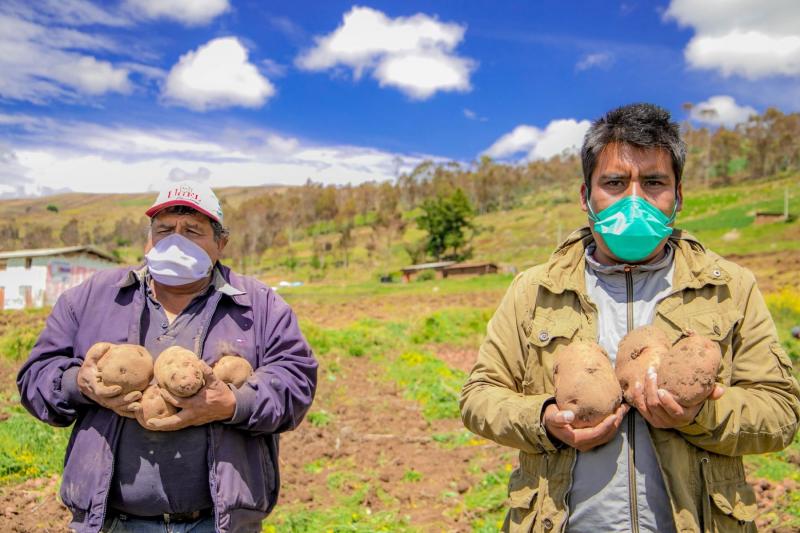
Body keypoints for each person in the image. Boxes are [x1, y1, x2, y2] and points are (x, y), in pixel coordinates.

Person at [460, 103, 800, 532]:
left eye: (653, 182)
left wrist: (698, 415)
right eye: (615, 183)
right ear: (587, 196)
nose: (634, 200)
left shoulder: (730, 287)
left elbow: (781, 412)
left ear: (677, 196)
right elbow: (478, 396)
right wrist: (546, 420)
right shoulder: (534, 291)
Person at [17, 180, 318, 533]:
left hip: (219, 524)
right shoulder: (90, 298)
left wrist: (234, 403)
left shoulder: (261, 305)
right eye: (165, 229)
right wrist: (78, 383)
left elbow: (296, 382)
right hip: (111, 523)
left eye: (192, 230)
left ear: (221, 243)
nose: (176, 239)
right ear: (148, 239)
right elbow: (35, 376)